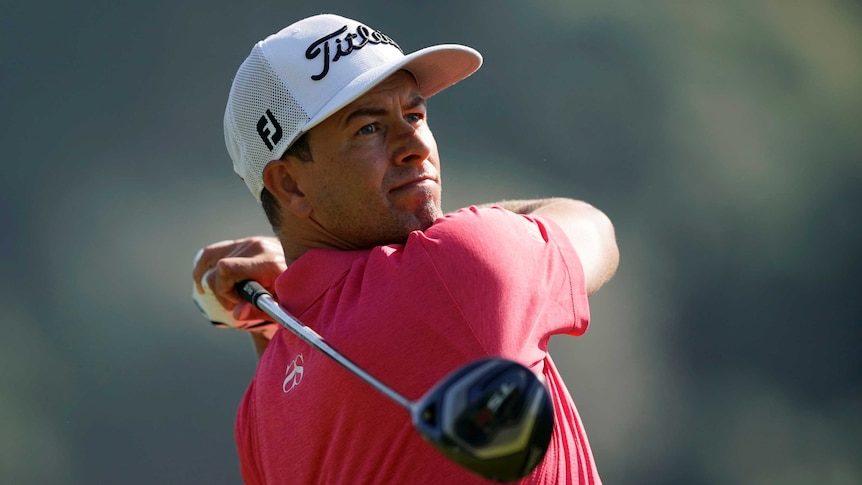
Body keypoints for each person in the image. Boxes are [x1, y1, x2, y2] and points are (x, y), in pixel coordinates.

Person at [193, 13, 619, 485]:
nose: (415, 143)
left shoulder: (259, 412)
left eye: (414, 115)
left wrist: (297, 298)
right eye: (369, 129)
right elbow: (592, 225)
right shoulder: (458, 264)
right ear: (290, 184)